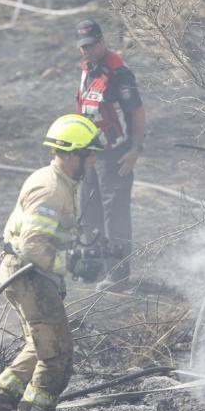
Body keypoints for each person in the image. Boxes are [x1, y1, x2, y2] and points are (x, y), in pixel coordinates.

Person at [0, 114, 103, 411]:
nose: (94, 160)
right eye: (90, 154)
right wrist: (70, 265)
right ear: (73, 155)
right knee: (57, 353)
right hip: (28, 275)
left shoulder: (63, 183)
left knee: (40, 345)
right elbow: (32, 245)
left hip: (30, 275)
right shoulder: (50, 187)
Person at [75, 18, 146, 291]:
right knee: (89, 213)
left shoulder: (119, 74)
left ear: (102, 41)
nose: (87, 51)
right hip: (90, 156)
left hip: (116, 156)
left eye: (91, 45)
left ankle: (117, 277)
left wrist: (135, 150)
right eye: (83, 47)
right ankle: (92, 268)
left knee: (114, 217)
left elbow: (137, 113)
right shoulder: (87, 70)